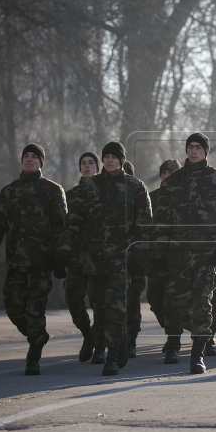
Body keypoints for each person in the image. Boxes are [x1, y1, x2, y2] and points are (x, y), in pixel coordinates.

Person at [58, 141, 152, 376]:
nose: (109, 160)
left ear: (121, 159)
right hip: (93, 259)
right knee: (99, 307)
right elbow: (74, 221)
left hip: (122, 259)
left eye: (114, 156)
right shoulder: (89, 187)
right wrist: (65, 249)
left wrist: (141, 255)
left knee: (115, 307)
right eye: (106, 156)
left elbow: (146, 226)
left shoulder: (136, 186)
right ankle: (116, 340)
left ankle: (111, 356)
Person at [151, 133, 216, 374]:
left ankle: (198, 353)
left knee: (202, 304)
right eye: (190, 147)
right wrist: (158, 253)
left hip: (207, 255)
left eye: (199, 147)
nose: (194, 151)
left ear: (206, 151)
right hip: (178, 255)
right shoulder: (172, 182)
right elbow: (162, 221)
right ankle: (199, 334)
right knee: (177, 306)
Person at [0, 144, 67, 375]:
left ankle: (33, 358)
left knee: (35, 309)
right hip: (16, 262)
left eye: (34, 157)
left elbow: (61, 226)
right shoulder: (9, 191)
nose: (29, 160)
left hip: (41, 262)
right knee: (12, 308)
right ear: (22, 161)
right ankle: (38, 336)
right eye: (26, 156)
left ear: (41, 162)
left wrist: (57, 256)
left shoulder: (52, 190)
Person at [63, 152, 103, 363]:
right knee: (72, 299)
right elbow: (64, 226)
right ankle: (88, 335)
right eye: (83, 163)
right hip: (77, 258)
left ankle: (99, 345)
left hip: (99, 258)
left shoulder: (105, 193)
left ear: (97, 167)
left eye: (91, 163)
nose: (87, 166)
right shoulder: (70, 195)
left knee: (99, 303)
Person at [146, 159, 182, 354]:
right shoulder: (152, 198)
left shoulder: (185, 198)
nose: (167, 177)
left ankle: (174, 339)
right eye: (164, 173)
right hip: (156, 258)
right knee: (155, 298)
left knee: (173, 300)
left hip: (178, 258)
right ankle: (171, 330)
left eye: (171, 173)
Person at [120, 159, 146, 358]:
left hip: (134, 258)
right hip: (112, 259)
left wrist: (141, 254)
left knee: (132, 300)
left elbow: (144, 226)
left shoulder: (138, 193)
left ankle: (131, 339)